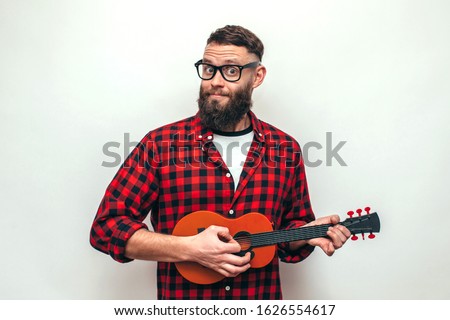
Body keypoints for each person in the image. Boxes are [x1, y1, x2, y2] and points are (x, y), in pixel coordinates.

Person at [90, 25, 351, 300]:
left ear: (257, 76)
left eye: (230, 70)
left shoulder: (285, 149)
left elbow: (286, 236)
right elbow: (106, 228)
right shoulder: (160, 145)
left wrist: (305, 234)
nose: (215, 80)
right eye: (208, 68)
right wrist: (189, 248)